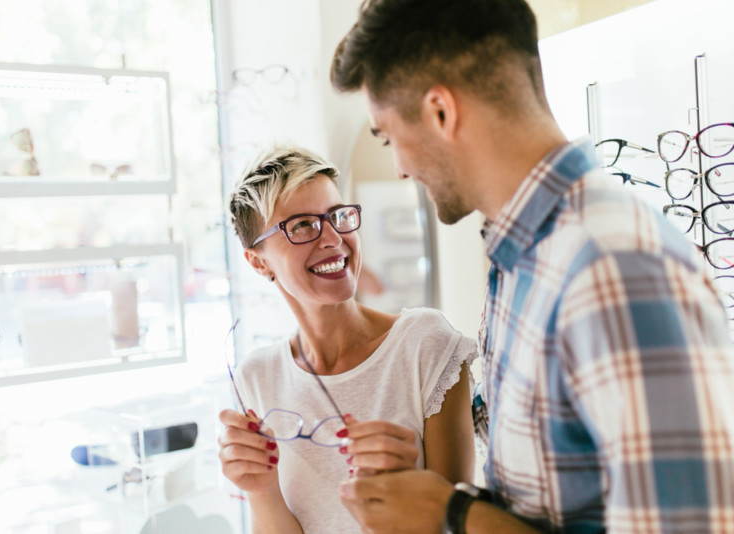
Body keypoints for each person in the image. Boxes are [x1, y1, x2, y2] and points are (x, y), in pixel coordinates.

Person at [330, 1, 734, 533]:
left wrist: (450, 513)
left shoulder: (612, 268)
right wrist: (430, 493)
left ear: (441, 112)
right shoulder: (524, 261)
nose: (400, 169)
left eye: (387, 136)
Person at [217, 145, 479, 534]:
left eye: (338, 216)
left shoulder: (425, 346)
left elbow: (459, 525)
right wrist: (260, 490)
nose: (333, 238)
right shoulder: (257, 377)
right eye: (302, 225)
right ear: (257, 261)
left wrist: (403, 496)